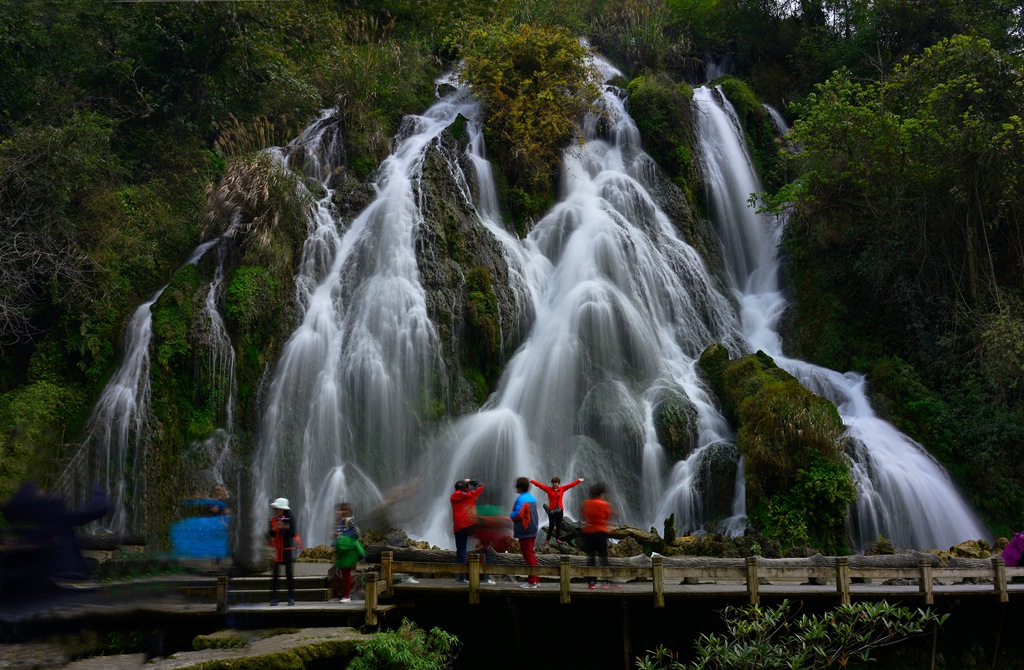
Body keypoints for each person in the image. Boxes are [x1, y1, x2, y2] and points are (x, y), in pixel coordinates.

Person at [530, 475, 584, 545]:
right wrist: (532, 481)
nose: (555, 484)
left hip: (560, 510)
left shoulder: (562, 489)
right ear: (552, 483)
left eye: (556, 482)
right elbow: (540, 485)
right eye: (553, 483)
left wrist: (578, 481)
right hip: (552, 511)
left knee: (558, 526)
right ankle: (547, 540)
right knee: (551, 526)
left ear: (558, 483)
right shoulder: (548, 489)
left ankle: (557, 539)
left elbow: (571, 485)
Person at [268, 497, 301, 605]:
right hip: (276, 551)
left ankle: (291, 598)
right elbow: (271, 534)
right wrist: (274, 529)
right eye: (276, 509)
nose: (277, 511)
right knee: (275, 576)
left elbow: (293, 533)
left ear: (283, 510)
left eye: (279, 509)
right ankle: (274, 598)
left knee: (289, 575)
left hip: (287, 550)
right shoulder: (273, 520)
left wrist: (285, 528)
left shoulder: (290, 519)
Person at [330, 502, 365, 602]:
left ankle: (347, 596)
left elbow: (356, 533)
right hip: (341, 550)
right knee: (338, 573)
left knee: (346, 574)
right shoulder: (338, 521)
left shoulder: (349, 521)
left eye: (343, 510)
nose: (340, 512)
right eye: (339, 510)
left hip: (348, 551)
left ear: (347, 511)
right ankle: (342, 594)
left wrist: (341, 534)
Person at [450, 478, 483, 583]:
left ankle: (461, 577)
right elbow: (480, 486)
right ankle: (486, 576)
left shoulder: (453, 497)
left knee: (461, 551)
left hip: (459, 527)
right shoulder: (470, 495)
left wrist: (465, 484)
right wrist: (473, 482)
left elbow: (461, 493)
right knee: (485, 543)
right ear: (467, 488)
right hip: (471, 525)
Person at [510, 477, 540, 588]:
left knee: (528, 555)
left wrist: (511, 515)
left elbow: (518, 514)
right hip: (533, 529)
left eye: (517, 486)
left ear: (520, 487)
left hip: (525, 530)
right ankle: (536, 578)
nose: (515, 488)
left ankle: (532, 582)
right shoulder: (531, 498)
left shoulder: (522, 499)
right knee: (531, 554)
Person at [581, 482, 612, 589]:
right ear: (600, 494)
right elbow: (607, 516)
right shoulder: (604, 504)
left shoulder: (586, 503)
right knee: (603, 557)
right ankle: (606, 581)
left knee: (591, 558)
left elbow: (584, 515)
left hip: (588, 533)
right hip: (600, 533)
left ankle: (591, 582)